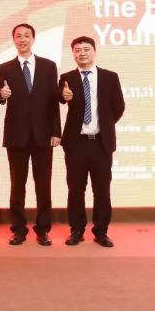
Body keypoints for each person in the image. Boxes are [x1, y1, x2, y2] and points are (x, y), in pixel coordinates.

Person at [0, 23, 61, 246]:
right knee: (17, 185)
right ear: (13, 40)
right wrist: (1, 93)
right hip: (17, 136)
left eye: (26, 36)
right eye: (18, 36)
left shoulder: (48, 66)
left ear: (33, 38)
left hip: (43, 136)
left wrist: (56, 131)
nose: (22, 39)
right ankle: (18, 230)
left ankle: (43, 230)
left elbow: (54, 101)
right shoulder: (5, 68)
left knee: (43, 185)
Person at [59, 36, 124, 247]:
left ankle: (101, 232)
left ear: (94, 51)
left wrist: (104, 124)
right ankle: (76, 231)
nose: (82, 53)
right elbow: (59, 98)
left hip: (101, 143)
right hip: (76, 143)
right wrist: (63, 95)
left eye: (86, 49)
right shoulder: (66, 78)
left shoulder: (110, 77)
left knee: (102, 190)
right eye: (77, 50)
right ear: (73, 53)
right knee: (75, 190)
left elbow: (118, 106)